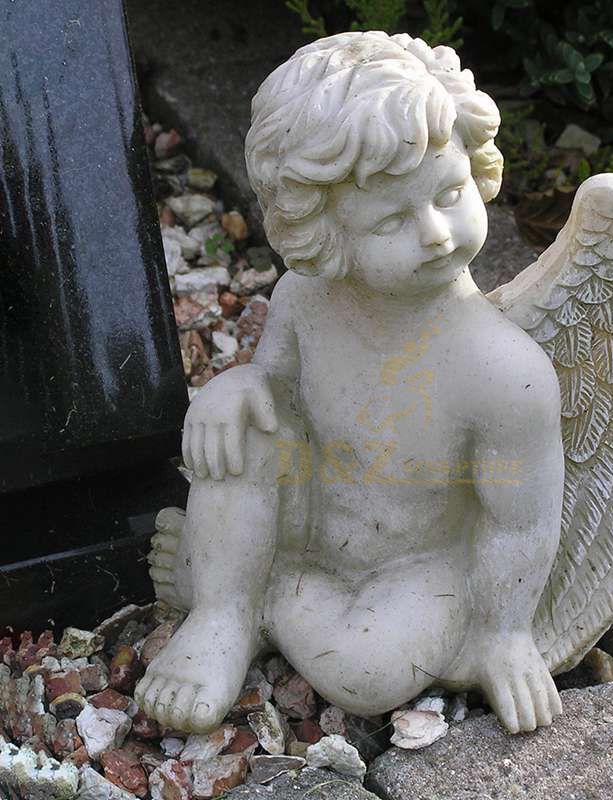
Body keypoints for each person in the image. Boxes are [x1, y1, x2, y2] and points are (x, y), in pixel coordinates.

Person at [135, 31, 565, 735]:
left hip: (416, 559)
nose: (434, 234)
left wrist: (505, 634)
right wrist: (236, 388)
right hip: (315, 507)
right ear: (321, 231)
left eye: (451, 193)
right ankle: (222, 613)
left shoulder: (506, 373)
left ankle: (245, 589)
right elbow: (277, 391)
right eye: (394, 218)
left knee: (364, 676)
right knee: (241, 424)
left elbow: (519, 521)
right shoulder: (306, 298)